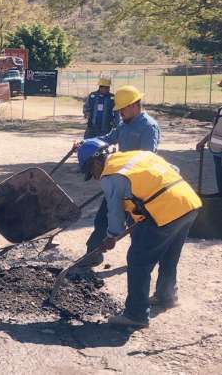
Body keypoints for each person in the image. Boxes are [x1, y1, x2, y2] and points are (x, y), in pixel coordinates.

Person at [77, 139, 201, 327]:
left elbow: (115, 212)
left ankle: (136, 315)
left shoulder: (110, 175)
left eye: (91, 173)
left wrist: (111, 237)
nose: (94, 177)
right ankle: (166, 296)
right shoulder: (139, 155)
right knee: (169, 254)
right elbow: (174, 170)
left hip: (167, 211)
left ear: (96, 162)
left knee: (138, 259)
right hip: (189, 203)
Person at [75, 85, 162, 266]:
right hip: (118, 179)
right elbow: (107, 138)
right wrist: (85, 142)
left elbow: (148, 158)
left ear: (133, 105)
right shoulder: (124, 124)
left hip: (137, 187)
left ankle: (142, 260)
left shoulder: (149, 127)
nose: (120, 112)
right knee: (103, 218)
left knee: (137, 227)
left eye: (122, 108)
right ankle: (93, 254)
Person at [195, 105, 222, 195]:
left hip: (217, 149)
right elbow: (214, 129)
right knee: (219, 172)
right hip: (217, 150)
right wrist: (203, 141)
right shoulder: (220, 110)